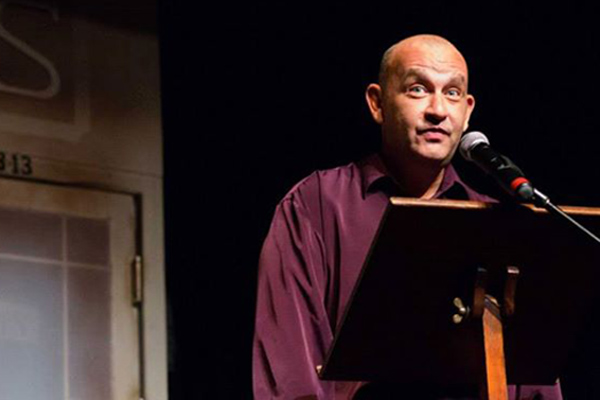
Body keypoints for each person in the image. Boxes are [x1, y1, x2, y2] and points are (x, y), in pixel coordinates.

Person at [252, 34, 563, 400]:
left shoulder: (496, 224)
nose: (438, 110)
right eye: (418, 89)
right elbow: (291, 370)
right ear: (377, 103)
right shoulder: (315, 206)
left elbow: (533, 377)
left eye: (452, 93)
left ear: (467, 112)